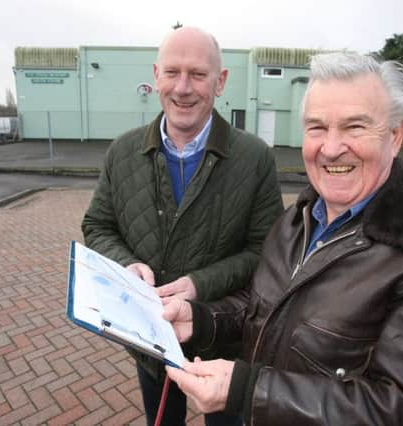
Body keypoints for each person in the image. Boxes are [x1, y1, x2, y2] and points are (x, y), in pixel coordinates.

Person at [163, 52, 403, 425]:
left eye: (354, 127)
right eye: (317, 128)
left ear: (396, 135)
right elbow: (268, 311)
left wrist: (247, 390)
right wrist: (203, 320)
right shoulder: (296, 220)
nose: (331, 148)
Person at [81, 26, 284, 426]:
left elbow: (267, 250)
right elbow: (98, 225)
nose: (183, 88)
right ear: (156, 75)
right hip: (150, 339)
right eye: (172, 72)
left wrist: (199, 285)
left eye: (198, 74)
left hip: (222, 339)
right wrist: (126, 264)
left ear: (220, 81)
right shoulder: (122, 152)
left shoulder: (255, 158)